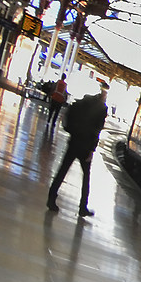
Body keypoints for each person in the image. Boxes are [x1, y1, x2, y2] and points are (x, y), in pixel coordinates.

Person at [47, 83, 108, 217]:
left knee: (62, 170)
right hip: (85, 147)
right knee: (86, 177)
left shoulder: (84, 102)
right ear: (104, 95)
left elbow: (70, 116)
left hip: (74, 142)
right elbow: (96, 131)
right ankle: (82, 207)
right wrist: (92, 150)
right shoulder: (102, 109)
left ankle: (51, 197)